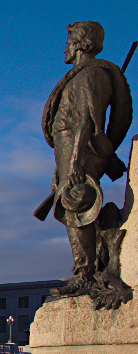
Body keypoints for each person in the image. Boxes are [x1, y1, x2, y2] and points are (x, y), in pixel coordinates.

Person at [36, 21, 132, 301]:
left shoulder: (90, 75)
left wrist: (76, 160)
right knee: (74, 204)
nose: (65, 47)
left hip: (78, 147)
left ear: (80, 43)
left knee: (75, 204)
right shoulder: (85, 74)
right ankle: (97, 257)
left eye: (68, 41)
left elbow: (89, 120)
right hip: (69, 148)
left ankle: (84, 273)